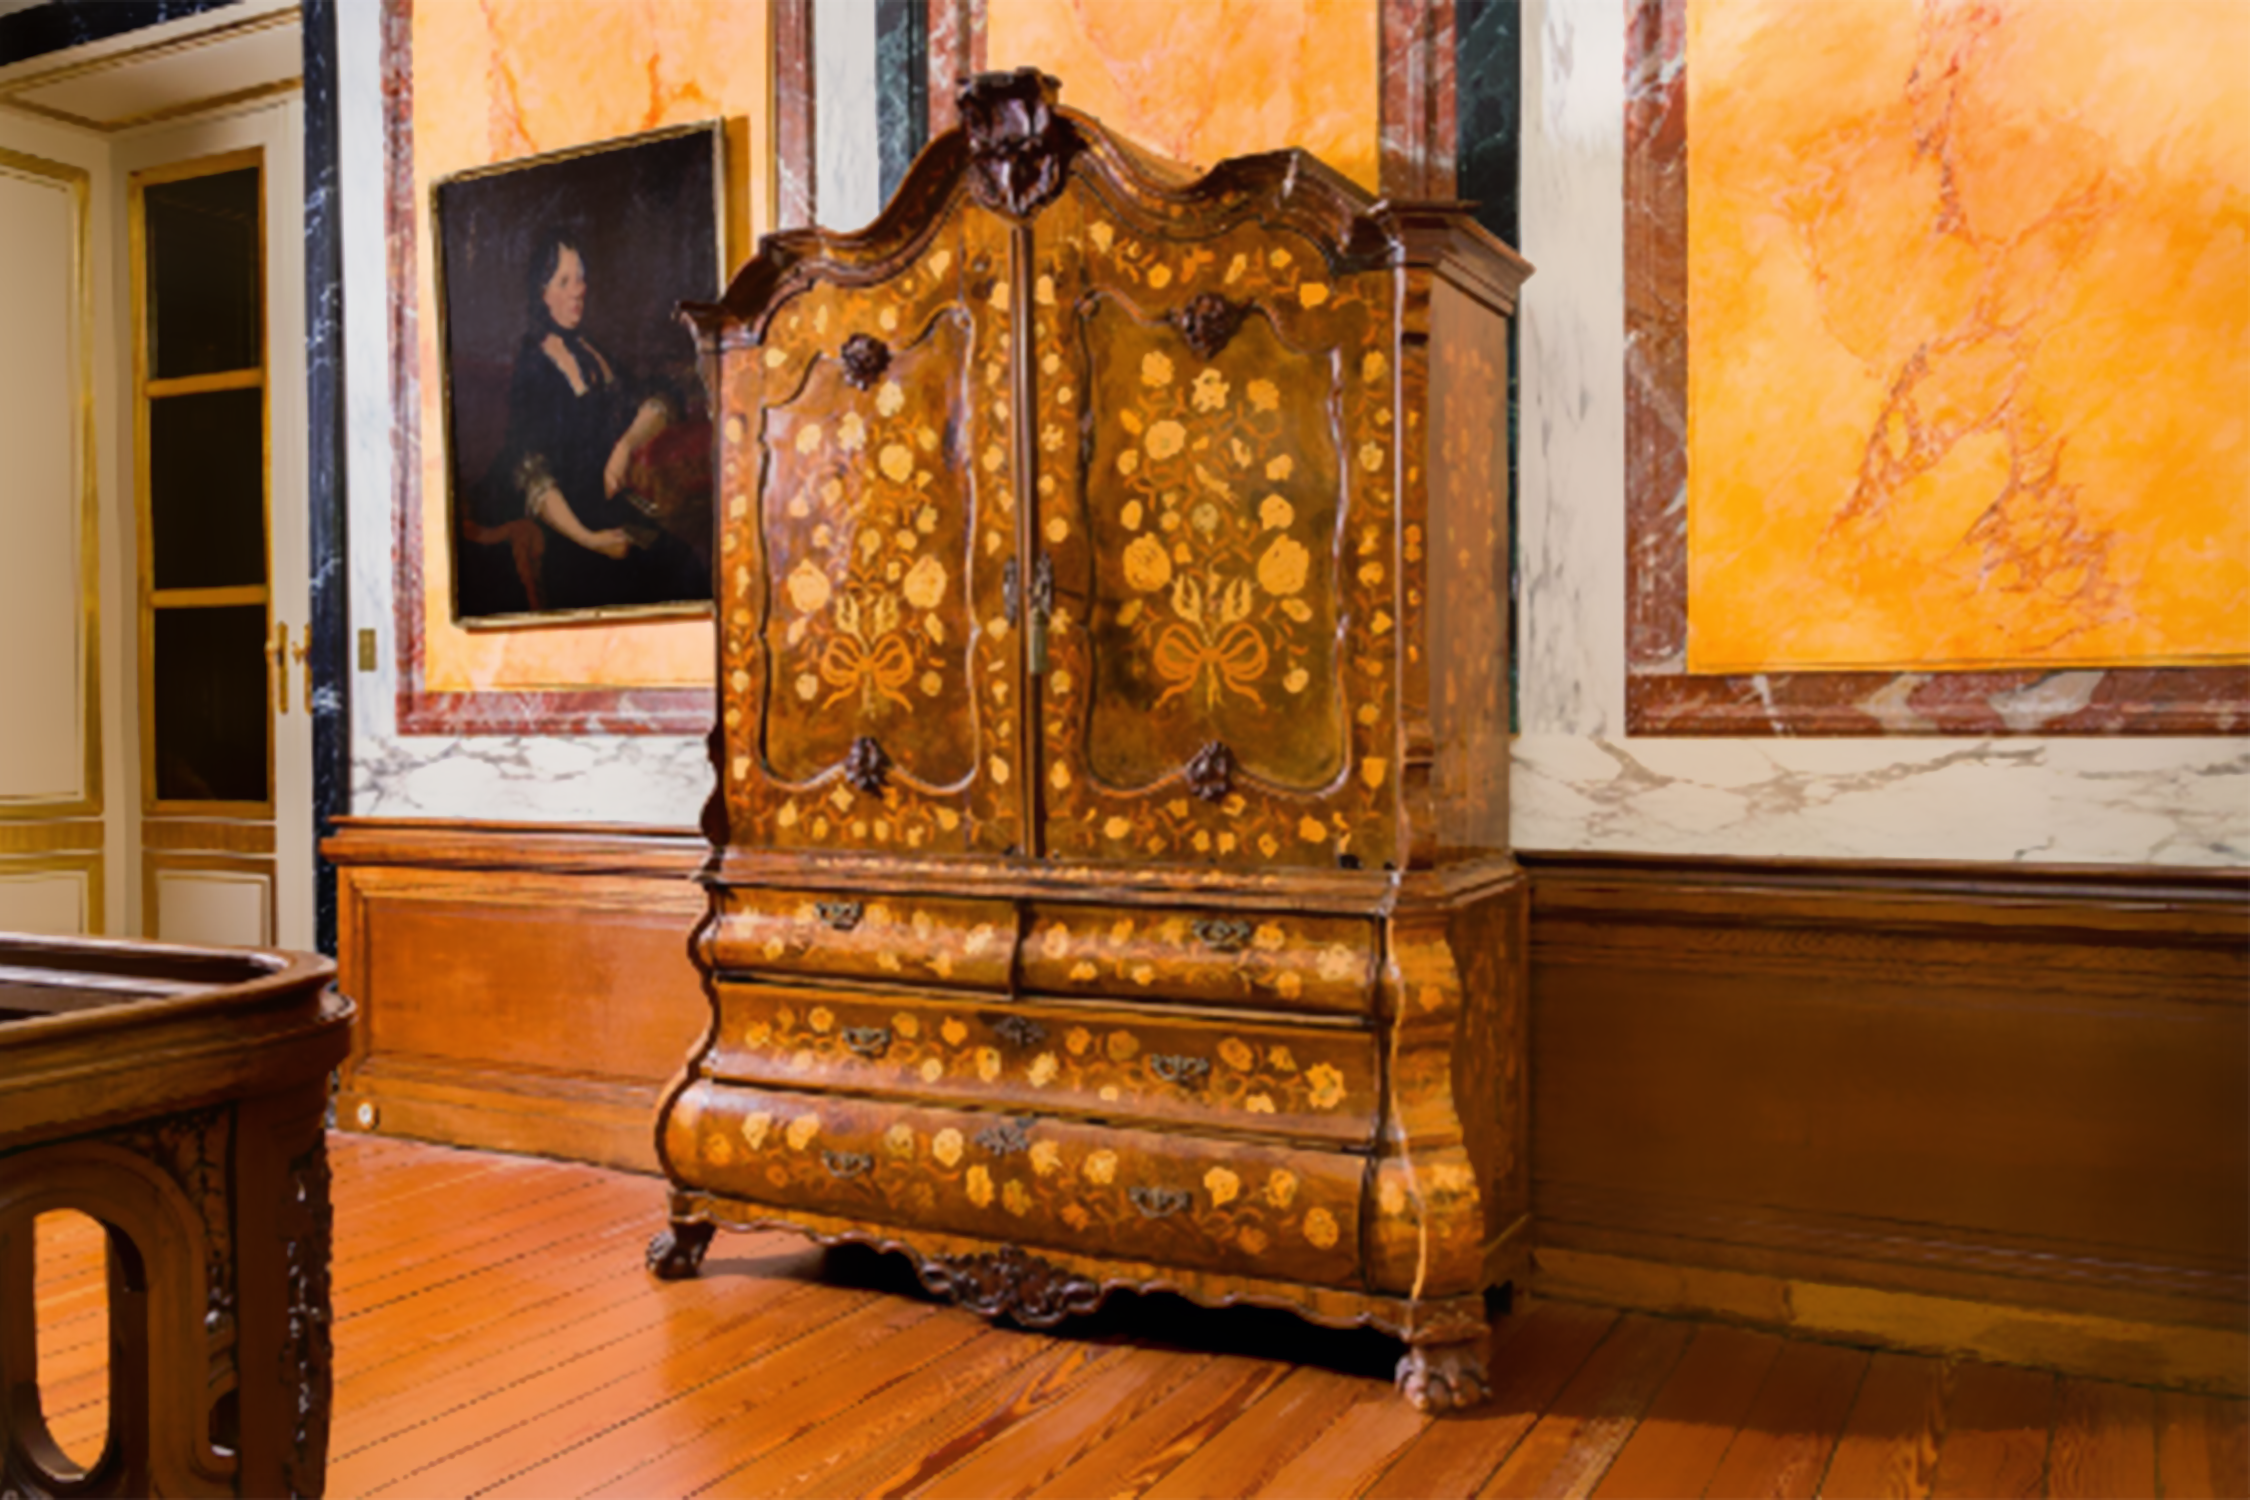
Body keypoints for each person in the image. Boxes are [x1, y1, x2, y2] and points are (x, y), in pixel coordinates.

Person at [475, 229, 705, 613]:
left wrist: (625, 446)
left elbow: (660, 397)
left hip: (605, 507)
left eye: (580, 278)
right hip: (563, 527)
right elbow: (531, 470)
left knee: (686, 566)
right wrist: (591, 540)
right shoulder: (534, 363)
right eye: (564, 281)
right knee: (645, 578)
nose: (578, 290)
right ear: (542, 292)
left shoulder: (591, 349)